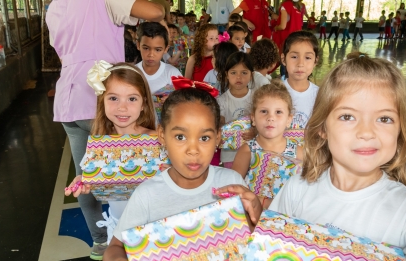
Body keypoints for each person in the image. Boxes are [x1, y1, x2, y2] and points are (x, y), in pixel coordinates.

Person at [268, 51, 406, 260]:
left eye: (384, 119)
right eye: (347, 116)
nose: (366, 132)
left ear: (400, 130)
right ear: (322, 128)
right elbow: (268, 248)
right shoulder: (296, 190)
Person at [45, 1, 164, 259]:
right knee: (133, 165)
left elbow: (62, 50)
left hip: (69, 98)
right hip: (100, 97)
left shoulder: (54, 6)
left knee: (86, 174)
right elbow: (156, 12)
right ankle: (136, 236)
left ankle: (101, 241)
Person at [103, 88, 262, 261]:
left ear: (217, 137)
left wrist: (256, 209)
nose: (193, 150)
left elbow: (257, 237)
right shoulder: (147, 195)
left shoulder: (232, 181)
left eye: (204, 138)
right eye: (180, 137)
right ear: (162, 136)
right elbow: (115, 247)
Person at [65, 61, 156, 244]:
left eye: (132, 99)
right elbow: (95, 177)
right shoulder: (100, 145)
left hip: (154, 229)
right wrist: (86, 179)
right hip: (118, 229)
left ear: (144, 104)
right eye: (113, 98)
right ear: (102, 101)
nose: (122, 107)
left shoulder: (158, 140)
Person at [232, 81, 304, 209]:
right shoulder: (247, 151)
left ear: (289, 119)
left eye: (278, 112)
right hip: (253, 217)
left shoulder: (298, 152)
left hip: (286, 219)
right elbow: (234, 188)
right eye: (264, 111)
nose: (271, 117)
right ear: (253, 118)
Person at [217, 52, 255, 167]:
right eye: (233, 73)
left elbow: (262, 122)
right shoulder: (221, 100)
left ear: (251, 75)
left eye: (244, 73)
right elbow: (220, 124)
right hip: (230, 155)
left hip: (253, 153)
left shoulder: (257, 98)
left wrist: (255, 131)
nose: (239, 77)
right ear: (227, 75)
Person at [281, 30, 319, 129]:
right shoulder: (274, 92)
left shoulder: (320, 95)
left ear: (315, 61)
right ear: (283, 59)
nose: (300, 64)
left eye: (307, 57)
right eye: (294, 57)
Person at [135, 22, 182, 95]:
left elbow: (183, 100)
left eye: (157, 50)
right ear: (138, 45)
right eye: (146, 48)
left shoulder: (173, 74)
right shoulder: (132, 73)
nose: (151, 55)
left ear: (166, 49)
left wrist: (171, 100)